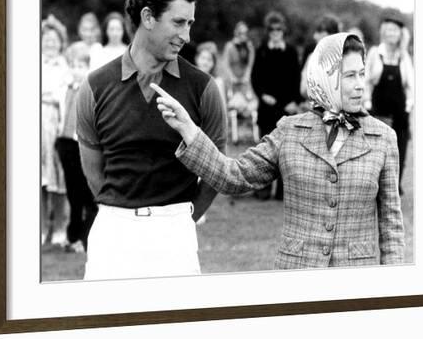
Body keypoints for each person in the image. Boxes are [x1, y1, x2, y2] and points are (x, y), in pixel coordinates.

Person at [153, 32, 405, 269]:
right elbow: (234, 176)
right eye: (349, 76)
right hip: (296, 276)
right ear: (326, 77)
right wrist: (189, 130)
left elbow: (391, 227)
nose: (360, 84)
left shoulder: (383, 138)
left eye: (362, 74)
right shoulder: (290, 131)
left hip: (357, 283)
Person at [76, 0, 227, 280]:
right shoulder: (93, 88)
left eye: (190, 23)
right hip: (111, 235)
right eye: (178, 23)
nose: (187, 36)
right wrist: (122, 212)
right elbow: (94, 175)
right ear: (147, 17)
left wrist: (183, 218)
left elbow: (216, 169)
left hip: (175, 236)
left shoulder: (203, 88)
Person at [251, 11, 300, 200]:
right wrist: (263, 95)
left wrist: (293, 101)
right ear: (268, 31)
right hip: (267, 107)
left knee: (285, 151)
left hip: (286, 108)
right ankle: (262, 190)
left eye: (279, 29)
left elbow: (296, 77)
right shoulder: (261, 49)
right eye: (272, 29)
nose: (275, 32)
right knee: (265, 149)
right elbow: (255, 77)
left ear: (283, 30)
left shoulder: (291, 51)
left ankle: (282, 192)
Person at [364, 10, 414, 193]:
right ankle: (374, 189)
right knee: (377, 152)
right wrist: (367, 103)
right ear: (383, 32)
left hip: (400, 113)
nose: (392, 34)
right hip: (378, 110)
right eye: (389, 30)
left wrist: (408, 106)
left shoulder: (404, 56)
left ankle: (393, 189)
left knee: (399, 151)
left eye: (396, 30)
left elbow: (410, 85)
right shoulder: (374, 53)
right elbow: (366, 80)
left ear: (401, 34)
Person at [54, 52, 98, 253]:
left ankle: (85, 237)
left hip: (81, 143)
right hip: (65, 143)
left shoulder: (90, 90)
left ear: (87, 68)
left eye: (81, 66)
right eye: (74, 65)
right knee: (72, 192)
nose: (77, 70)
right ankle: (72, 236)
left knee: (85, 192)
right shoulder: (65, 89)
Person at [41, 14, 71, 246]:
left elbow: (64, 95)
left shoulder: (65, 67)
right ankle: (41, 227)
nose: (50, 43)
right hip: (37, 123)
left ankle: (60, 227)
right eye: (46, 39)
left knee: (58, 175)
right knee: (39, 177)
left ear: (61, 42)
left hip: (57, 123)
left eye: (54, 40)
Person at [223, 21, 259, 144]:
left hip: (245, 82)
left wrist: (246, 76)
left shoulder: (248, 46)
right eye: (241, 32)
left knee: (251, 102)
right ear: (236, 32)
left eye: (245, 32)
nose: (243, 35)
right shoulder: (229, 46)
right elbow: (226, 64)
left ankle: (252, 133)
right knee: (233, 102)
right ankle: (234, 134)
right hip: (233, 82)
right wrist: (232, 77)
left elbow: (250, 63)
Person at [300, 13, 342, 100]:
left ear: (331, 34)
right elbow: (304, 90)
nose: (315, 36)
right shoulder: (311, 58)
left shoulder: (345, 58)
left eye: (319, 32)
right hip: (315, 110)